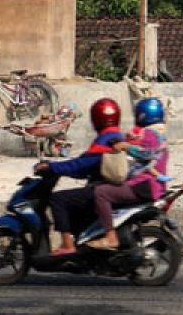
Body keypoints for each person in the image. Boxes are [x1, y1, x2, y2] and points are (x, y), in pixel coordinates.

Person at [33, 97, 125, 256]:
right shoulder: (116, 136)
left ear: (96, 119)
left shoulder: (106, 140)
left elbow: (80, 165)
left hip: (101, 189)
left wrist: (52, 167)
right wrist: (60, 169)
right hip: (108, 187)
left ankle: (68, 245)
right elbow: (83, 169)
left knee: (58, 199)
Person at [85, 97, 170, 251]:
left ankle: (111, 237)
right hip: (152, 185)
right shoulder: (159, 133)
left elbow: (146, 154)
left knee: (101, 192)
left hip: (144, 185)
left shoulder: (150, 133)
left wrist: (126, 146)